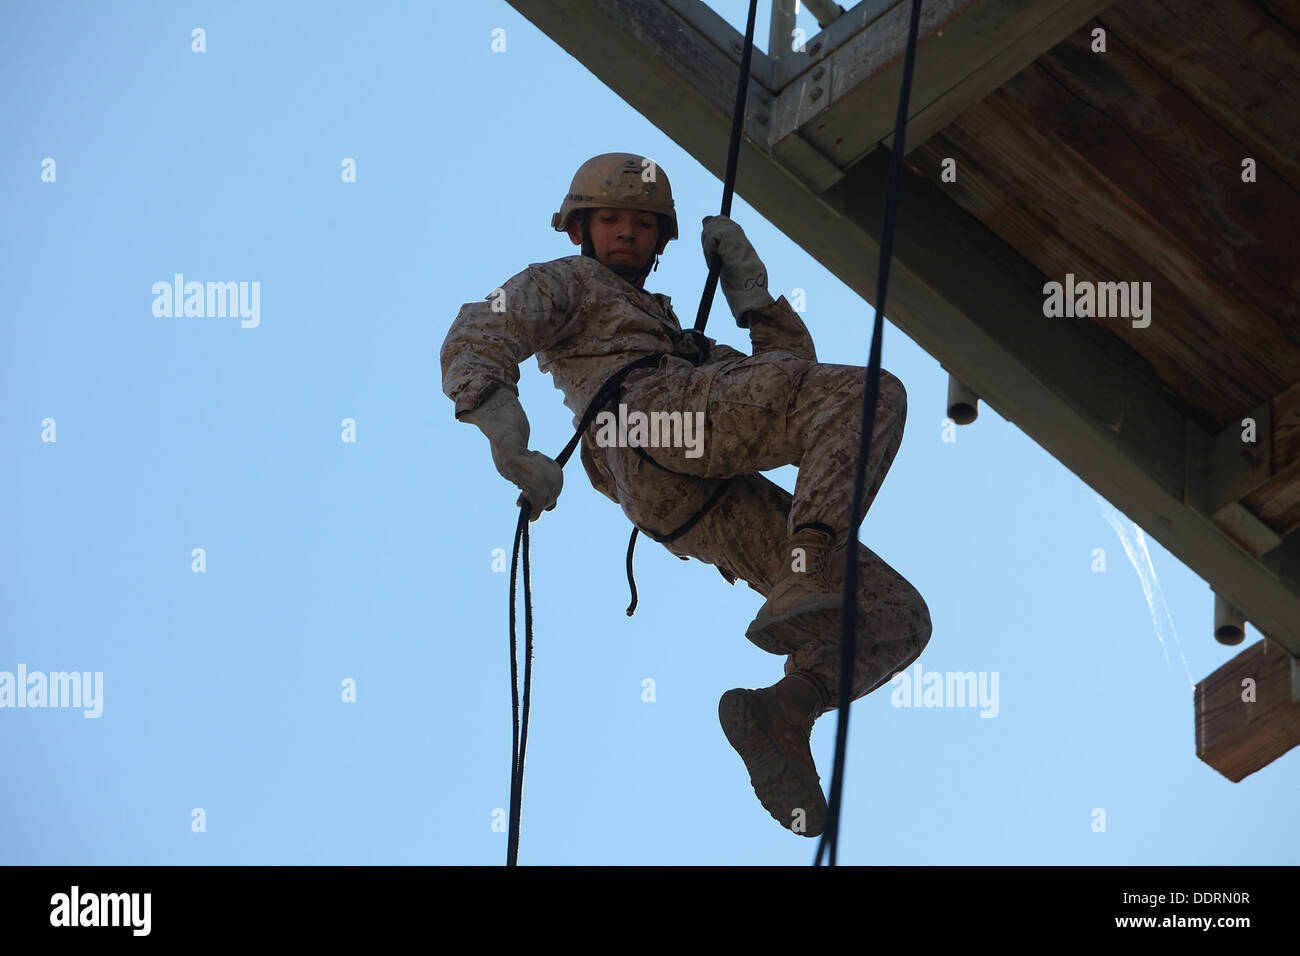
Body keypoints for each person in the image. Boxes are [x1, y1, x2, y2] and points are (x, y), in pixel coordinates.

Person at [441, 152, 931, 837]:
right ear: (579, 228)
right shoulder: (570, 283)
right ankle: (806, 565)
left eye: (641, 223)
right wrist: (505, 435)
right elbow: (482, 329)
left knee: (895, 615)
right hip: (649, 419)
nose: (624, 233)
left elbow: (794, 386)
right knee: (873, 394)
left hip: (688, 494)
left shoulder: (684, 340)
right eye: (608, 219)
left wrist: (753, 294)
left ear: (660, 239)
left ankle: (785, 711)